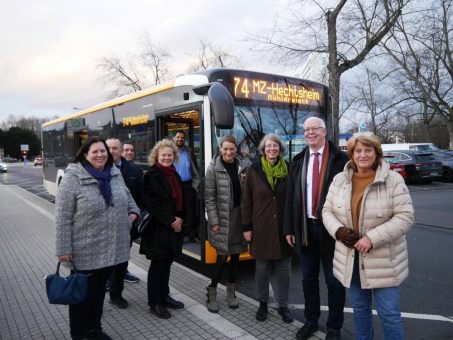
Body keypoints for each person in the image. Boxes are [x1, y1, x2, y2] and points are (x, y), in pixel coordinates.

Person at [322, 133, 414, 340]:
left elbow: (405, 217)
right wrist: (339, 231)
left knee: (389, 315)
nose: (362, 155)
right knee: (360, 311)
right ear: (352, 154)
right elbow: (326, 211)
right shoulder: (340, 180)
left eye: (367, 150)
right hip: (351, 260)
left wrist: (372, 238)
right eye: (357, 151)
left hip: (383, 261)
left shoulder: (393, 180)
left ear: (376, 152)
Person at [55, 136, 139, 340]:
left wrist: (132, 216)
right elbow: (62, 216)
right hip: (84, 250)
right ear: (85, 154)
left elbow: (129, 200)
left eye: (103, 151)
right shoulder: (73, 177)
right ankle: (79, 335)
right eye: (95, 152)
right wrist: (63, 248)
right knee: (82, 297)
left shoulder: (114, 173)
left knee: (99, 293)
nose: (100, 155)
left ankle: (94, 329)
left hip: (111, 247)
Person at [283, 117, 349, 340]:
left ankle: (333, 328)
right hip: (305, 230)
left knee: (334, 282)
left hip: (332, 232)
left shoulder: (342, 160)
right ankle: (311, 322)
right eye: (306, 130)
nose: (310, 133)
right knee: (308, 279)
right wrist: (289, 229)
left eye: (315, 129)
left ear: (324, 132)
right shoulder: (299, 160)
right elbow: (292, 198)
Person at [241, 134, 294, 323]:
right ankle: (262, 304)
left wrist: (293, 227)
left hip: (283, 227)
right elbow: (246, 200)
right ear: (263, 149)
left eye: (276, 146)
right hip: (260, 226)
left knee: (284, 269)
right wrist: (246, 226)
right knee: (262, 268)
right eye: (269, 146)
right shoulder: (253, 169)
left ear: (280, 149)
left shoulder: (289, 168)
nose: (272, 149)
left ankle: (283, 306)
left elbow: (294, 199)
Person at [139, 139, 185, 319]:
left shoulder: (174, 174)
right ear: (156, 156)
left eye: (170, 155)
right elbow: (151, 203)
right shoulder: (152, 175)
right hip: (158, 229)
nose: (167, 158)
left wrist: (181, 219)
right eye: (163, 155)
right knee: (158, 266)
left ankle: (164, 296)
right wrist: (171, 220)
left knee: (167, 264)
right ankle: (154, 302)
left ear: (174, 156)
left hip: (173, 228)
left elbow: (180, 200)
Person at [205, 135, 247, 313]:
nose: (229, 152)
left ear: (236, 149)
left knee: (236, 257)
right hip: (222, 219)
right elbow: (209, 197)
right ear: (220, 149)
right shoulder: (213, 168)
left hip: (240, 217)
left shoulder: (243, 166)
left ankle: (231, 292)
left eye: (232, 149)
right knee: (222, 257)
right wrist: (213, 221)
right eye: (225, 149)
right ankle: (212, 291)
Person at [106, 138, 143, 309]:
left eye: (115, 148)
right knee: (103, 262)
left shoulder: (133, 170)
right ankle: (103, 287)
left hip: (125, 226)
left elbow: (138, 197)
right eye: (109, 148)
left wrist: (134, 216)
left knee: (121, 261)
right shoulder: (96, 169)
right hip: (103, 228)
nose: (112, 151)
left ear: (121, 150)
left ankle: (116, 294)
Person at [173, 130, 201, 243]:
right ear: (174, 138)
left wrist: (196, 184)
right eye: (178, 137)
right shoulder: (170, 152)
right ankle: (178, 235)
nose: (180, 139)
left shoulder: (189, 151)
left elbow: (195, 168)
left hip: (188, 185)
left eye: (182, 137)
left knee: (191, 210)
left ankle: (192, 235)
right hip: (175, 185)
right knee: (177, 210)